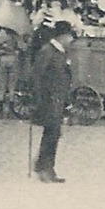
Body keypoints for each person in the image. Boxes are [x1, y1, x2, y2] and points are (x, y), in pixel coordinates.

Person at [29, 19, 76, 183]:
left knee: (53, 134)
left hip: (57, 100)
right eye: (70, 36)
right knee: (52, 133)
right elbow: (36, 77)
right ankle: (45, 168)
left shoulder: (59, 52)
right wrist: (38, 100)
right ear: (63, 36)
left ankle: (44, 166)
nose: (71, 40)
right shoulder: (47, 51)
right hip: (48, 100)